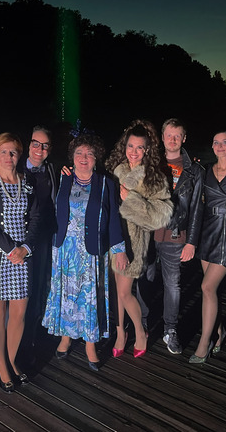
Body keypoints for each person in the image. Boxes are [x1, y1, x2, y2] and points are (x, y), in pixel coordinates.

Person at [42, 133, 124, 371]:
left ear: (96, 157)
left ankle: (90, 343)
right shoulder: (62, 178)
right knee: (66, 296)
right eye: (79, 153)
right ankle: (65, 337)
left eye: (89, 153)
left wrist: (119, 249)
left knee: (89, 298)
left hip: (91, 252)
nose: (84, 158)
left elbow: (113, 218)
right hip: (65, 249)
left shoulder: (106, 183)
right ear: (72, 157)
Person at [0, 133, 39, 392]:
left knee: (19, 313)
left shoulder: (28, 182)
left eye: (13, 151)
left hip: (23, 257)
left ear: (19, 154)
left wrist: (25, 248)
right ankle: (1, 366)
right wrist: (11, 248)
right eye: (3, 151)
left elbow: (36, 218)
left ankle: (12, 361)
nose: (8, 156)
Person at [105, 120, 173, 358]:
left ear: (147, 149)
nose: (134, 152)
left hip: (133, 242)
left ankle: (139, 331)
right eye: (130, 146)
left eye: (139, 147)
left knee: (125, 292)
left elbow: (160, 216)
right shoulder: (115, 170)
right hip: (111, 237)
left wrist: (131, 200)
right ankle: (120, 333)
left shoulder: (154, 177)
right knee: (116, 291)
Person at [189, 130, 226, 363]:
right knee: (211, 291)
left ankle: (204, 342)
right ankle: (219, 332)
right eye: (216, 142)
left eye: (225, 142)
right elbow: (194, 202)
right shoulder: (204, 170)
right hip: (207, 232)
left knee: (207, 287)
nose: (220, 146)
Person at [154, 118, 205, 355]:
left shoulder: (194, 170)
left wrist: (191, 241)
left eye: (177, 136)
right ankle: (143, 325)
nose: (173, 140)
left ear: (184, 138)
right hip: (148, 233)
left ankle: (170, 329)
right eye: (169, 135)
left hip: (176, 236)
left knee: (172, 285)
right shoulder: (151, 162)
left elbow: (196, 208)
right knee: (144, 280)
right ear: (162, 137)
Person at [23, 126, 57, 354]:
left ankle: (32, 336)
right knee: (21, 289)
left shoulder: (53, 170)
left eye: (45, 145)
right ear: (28, 145)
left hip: (44, 238)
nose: (39, 149)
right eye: (36, 143)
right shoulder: (13, 167)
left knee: (39, 287)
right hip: (19, 239)